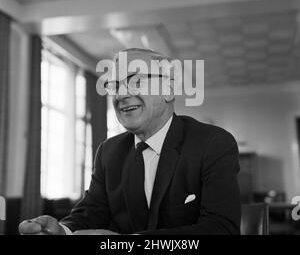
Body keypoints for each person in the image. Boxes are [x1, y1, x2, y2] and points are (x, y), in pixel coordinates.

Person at [19, 48, 241, 235]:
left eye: (135, 81)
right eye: (114, 86)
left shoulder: (213, 143)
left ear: (168, 90)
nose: (121, 95)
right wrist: (62, 230)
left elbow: (221, 229)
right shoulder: (109, 151)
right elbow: (91, 213)